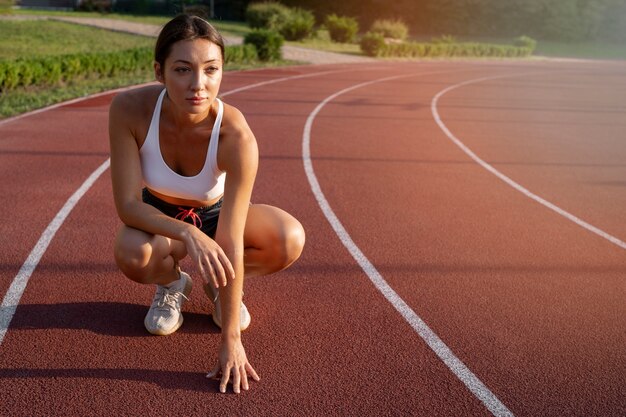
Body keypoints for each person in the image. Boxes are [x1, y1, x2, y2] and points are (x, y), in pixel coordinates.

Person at [108, 14, 305, 394]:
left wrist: (231, 338)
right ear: (159, 71)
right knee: (131, 251)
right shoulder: (129, 110)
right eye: (182, 70)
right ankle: (172, 284)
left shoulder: (236, 135)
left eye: (211, 70)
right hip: (160, 218)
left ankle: (220, 289)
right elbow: (128, 206)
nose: (199, 85)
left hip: (216, 218)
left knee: (288, 237)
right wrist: (188, 234)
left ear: (221, 72)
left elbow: (230, 236)